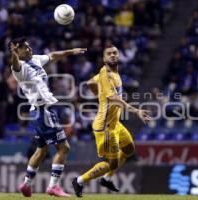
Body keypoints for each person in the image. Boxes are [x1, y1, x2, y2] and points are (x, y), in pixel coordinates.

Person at [9, 37, 86, 197]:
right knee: (64, 148)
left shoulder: (36, 59)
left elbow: (53, 55)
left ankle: (26, 184)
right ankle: (53, 186)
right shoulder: (19, 68)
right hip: (43, 110)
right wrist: (14, 54)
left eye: (29, 46)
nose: (29, 49)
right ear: (18, 51)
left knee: (41, 149)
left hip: (36, 111)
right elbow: (15, 64)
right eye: (24, 48)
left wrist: (72, 51)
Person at [72, 45, 151, 197]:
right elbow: (114, 99)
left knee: (129, 149)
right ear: (104, 58)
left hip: (115, 124)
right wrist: (136, 111)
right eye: (109, 54)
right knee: (111, 164)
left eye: (115, 53)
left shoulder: (114, 73)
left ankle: (106, 179)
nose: (113, 55)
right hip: (106, 127)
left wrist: (100, 97)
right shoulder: (106, 73)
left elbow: (89, 83)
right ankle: (79, 180)